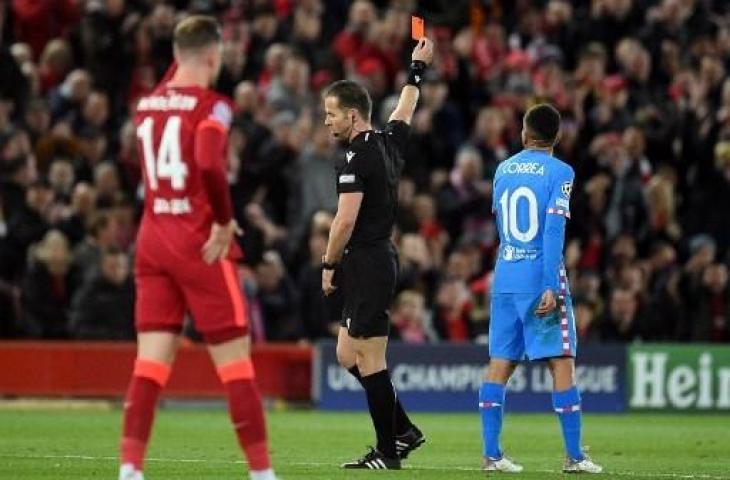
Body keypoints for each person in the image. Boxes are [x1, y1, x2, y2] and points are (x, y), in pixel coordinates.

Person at [118, 16, 278, 480]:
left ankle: (130, 469)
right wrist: (226, 222)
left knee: (150, 362)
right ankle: (262, 473)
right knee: (235, 363)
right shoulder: (214, 107)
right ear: (215, 56)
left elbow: (177, 75)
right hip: (199, 241)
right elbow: (209, 160)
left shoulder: (147, 105)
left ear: (174, 56)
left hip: (152, 241)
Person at [320, 37, 433, 470]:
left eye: (331, 114)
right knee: (347, 356)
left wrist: (328, 265)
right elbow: (406, 107)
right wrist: (416, 68)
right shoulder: (388, 142)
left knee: (369, 359)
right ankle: (402, 429)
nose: (327, 122)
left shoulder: (354, 160)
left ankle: (389, 452)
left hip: (366, 261)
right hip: (377, 258)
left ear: (352, 115)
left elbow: (344, 222)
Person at [479, 104, 603, 473]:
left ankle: (491, 455)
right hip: (539, 279)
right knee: (562, 364)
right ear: (558, 136)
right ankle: (574, 457)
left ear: (523, 133)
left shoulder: (503, 169)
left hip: (505, 277)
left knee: (499, 366)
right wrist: (551, 284)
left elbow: (501, 224)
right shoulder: (561, 172)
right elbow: (552, 230)